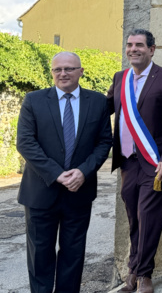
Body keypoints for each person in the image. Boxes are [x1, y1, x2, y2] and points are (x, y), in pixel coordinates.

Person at [17, 51, 112, 293]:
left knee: (73, 255)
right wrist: (57, 174)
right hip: (40, 192)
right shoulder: (34, 100)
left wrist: (83, 172)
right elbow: (26, 143)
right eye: (57, 69)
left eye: (69, 69)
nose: (63, 74)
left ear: (81, 72)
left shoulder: (97, 101)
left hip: (79, 191)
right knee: (40, 256)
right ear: (52, 73)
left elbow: (103, 142)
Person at [107, 29, 162, 293]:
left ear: (152, 49)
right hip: (128, 163)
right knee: (133, 217)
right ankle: (133, 269)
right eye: (129, 45)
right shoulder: (120, 78)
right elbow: (103, 108)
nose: (133, 49)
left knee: (149, 216)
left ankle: (144, 275)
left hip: (156, 164)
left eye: (139, 45)